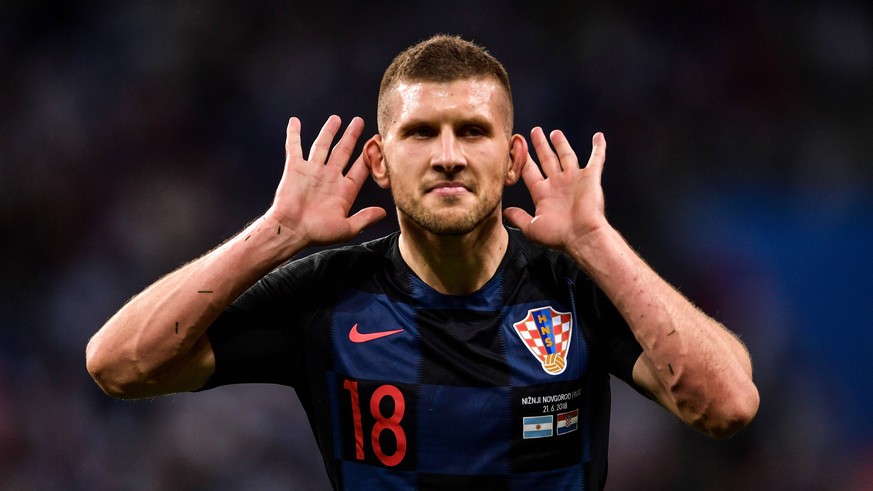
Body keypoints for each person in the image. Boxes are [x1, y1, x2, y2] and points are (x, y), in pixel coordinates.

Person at [86, 34, 759, 490]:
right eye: (418, 132)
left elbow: (727, 403)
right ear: (378, 160)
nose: (447, 155)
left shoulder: (573, 288)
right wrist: (277, 231)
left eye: (472, 130)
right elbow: (119, 364)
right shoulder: (326, 296)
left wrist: (595, 240)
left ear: (513, 158)